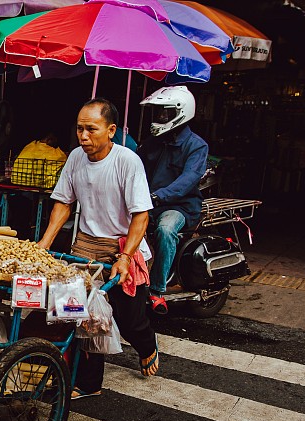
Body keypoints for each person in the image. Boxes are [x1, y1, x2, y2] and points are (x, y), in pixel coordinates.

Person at [38, 98, 158, 399]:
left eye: (91, 129)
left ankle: (147, 345)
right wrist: (44, 244)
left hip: (122, 247)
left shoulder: (128, 161)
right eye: (80, 129)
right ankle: (88, 383)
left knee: (130, 321)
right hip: (85, 246)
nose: (83, 136)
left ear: (111, 131)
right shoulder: (76, 158)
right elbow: (64, 203)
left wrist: (126, 257)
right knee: (80, 316)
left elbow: (141, 215)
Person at [137, 86, 208, 314]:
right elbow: (135, 167)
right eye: (157, 113)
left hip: (179, 206)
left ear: (180, 113)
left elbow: (188, 179)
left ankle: (157, 291)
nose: (159, 118)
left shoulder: (196, 145)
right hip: (149, 202)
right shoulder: (152, 142)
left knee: (165, 231)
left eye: (164, 114)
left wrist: (160, 196)